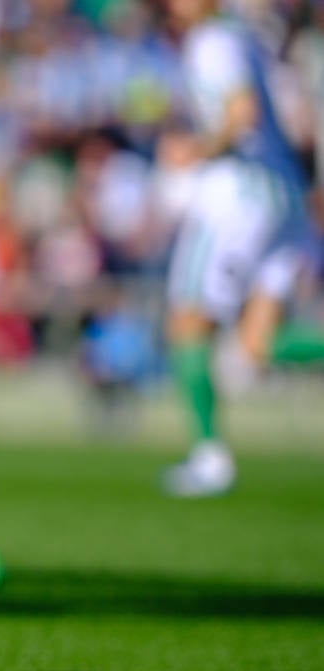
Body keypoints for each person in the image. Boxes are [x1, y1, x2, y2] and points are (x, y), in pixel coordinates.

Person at [160, 0, 324, 497]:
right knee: (256, 346)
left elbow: (241, 111)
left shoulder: (211, 40)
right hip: (284, 195)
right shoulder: (241, 36)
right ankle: (208, 459)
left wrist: (198, 150)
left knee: (188, 321)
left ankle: (209, 457)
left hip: (239, 197)